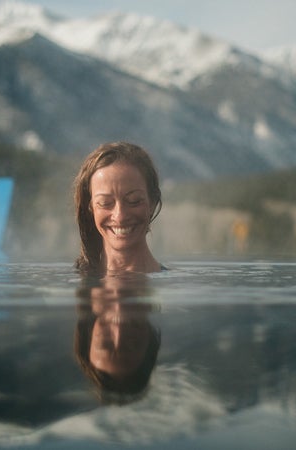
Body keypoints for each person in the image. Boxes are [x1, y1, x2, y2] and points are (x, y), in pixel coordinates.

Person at [73, 142, 163, 274]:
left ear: (152, 203)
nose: (120, 216)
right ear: (90, 208)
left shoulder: (174, 290)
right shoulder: (66, 287)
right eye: (105, 203)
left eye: (134, 201)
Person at [74, 273, 161, 404]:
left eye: (105, 341)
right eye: (132, 342)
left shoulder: (84, 270)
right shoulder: (158, 273)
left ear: (90, 332)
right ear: (150, 336)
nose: (119, 329)